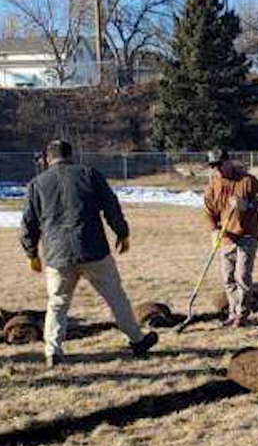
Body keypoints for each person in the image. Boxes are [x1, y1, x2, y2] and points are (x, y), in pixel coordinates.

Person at [21, 140, 158, 365]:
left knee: (57, 303)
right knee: (116, 298)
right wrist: (122, 233)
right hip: (93, 249)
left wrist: (32, 254)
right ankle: (136, 339)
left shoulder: (37, 184)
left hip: (58, 255)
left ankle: (52, 351)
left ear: (48, 159)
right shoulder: (89, 174)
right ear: (71, 155)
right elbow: (111, 207)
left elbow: (28, 222)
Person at [203, 148, 258, 327]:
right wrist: (214, 231)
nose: (217, 169)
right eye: (213, 166)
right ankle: (233, 311)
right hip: (226, 237)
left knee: (242, 275)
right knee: (228, 278)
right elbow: (208, 211)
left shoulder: (247, 180)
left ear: (228, 162)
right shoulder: (213, 185)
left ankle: (242, 313)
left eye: (219, 165)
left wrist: (248, 205)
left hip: (247, 235)